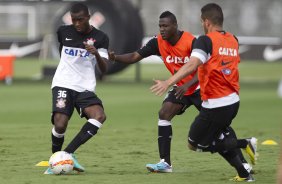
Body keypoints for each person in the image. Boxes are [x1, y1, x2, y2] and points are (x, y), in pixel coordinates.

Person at [108, 11, 251, 174]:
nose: (162, 29)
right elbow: (135, 56)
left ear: (175, 26)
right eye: (160, 26)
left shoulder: (192, 41)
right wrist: (115, 58)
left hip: (199, 88)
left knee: (221, 126)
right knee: (164, 113)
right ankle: (165, 163)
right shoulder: (158, 42)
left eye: (165, 26)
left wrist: (186, 85)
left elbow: (202, 68)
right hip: (180, 88)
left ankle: (244, 163)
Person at [150, 3, 257, 181]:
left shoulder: (205, 40)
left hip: (215, 103)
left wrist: (168, 82)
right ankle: (244, 173)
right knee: (219, 134)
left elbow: (193, 64)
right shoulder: (233, 39)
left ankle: (245, 143)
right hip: (233, 100)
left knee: (195, 144)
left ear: (206, 22)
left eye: (201, 21)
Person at [44, 3, 109, 174]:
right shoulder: (63, 31)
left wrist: (95, 53)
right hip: (63, 83)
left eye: (80, 19)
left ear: (88, 16)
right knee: (60, 124)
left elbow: (104, 69)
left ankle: (67, 154)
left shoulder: (101, 37)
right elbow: (62, 52)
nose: (77, 23)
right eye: (74, 20)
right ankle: (56, 161)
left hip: (85, 87)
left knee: (99, 116)